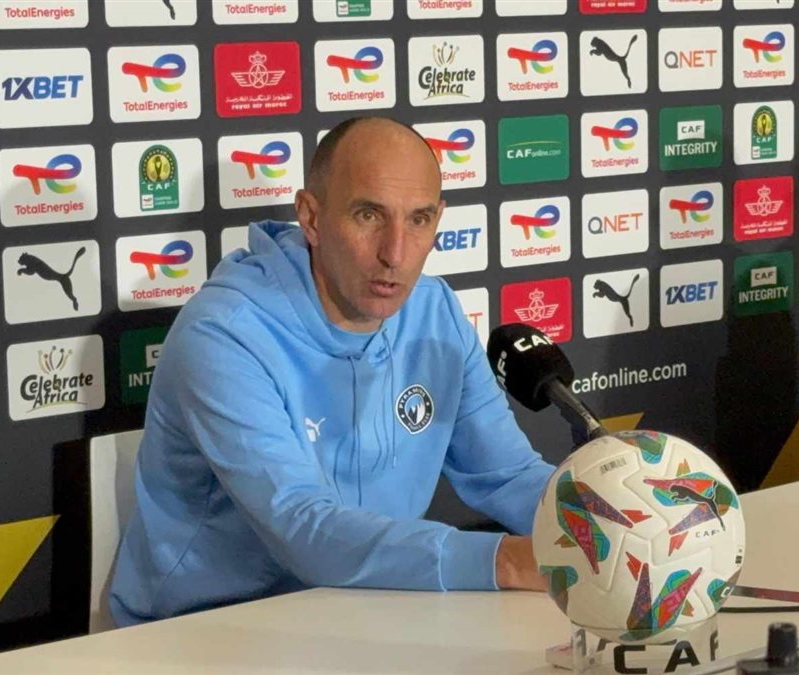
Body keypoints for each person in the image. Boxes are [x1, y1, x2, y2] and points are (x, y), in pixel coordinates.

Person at [109, 117, 554, 626]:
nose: (395, 253)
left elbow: (509, 475)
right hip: (203, 630)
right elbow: (302, 527)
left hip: (372, 608)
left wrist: (600, 514)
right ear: (312, 217)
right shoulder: (223, 333)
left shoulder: (436, 314)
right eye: (369, 215)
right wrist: (506, 561)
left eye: (419, 220)